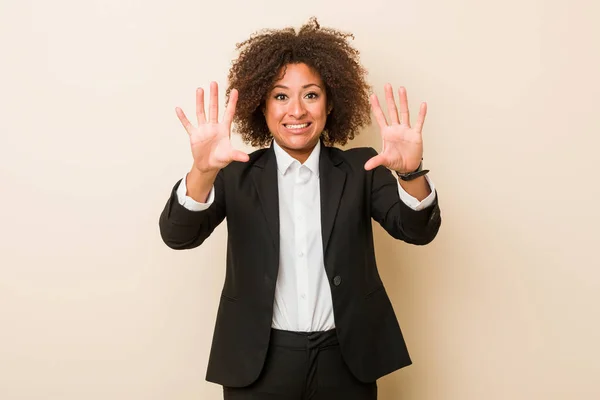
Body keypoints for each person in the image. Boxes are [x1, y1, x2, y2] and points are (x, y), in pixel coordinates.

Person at [159, 17, 441, 400]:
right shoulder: (235, 173)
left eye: (310, 94)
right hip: (258, 363)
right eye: (280, 96)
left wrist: (410, 173)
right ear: (262, 104)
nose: (296, 111)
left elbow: (418, 230)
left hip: (346, 359)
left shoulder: (362, 168)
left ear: (330, 101)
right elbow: (178, 235)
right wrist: (203, 170)